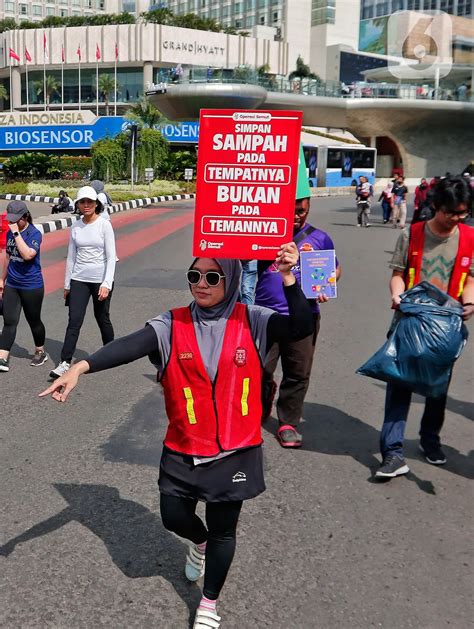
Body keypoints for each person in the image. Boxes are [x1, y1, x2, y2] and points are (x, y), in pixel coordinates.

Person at [40, 248, 313, 629]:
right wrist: (82, 367)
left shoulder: (254, 320)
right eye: (194, 275)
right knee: (173, 516)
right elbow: (130, 346)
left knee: (224, 530)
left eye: (212, 277)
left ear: (231, 280)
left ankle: (208, 603)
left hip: (236, 449)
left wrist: (288, 277)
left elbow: (301, 327)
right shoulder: (172, 324)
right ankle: (197, 542)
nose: (201, 284)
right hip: (185, 444)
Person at [375, 176, 474, 479]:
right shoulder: (412, 234)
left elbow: (470, 280)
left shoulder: (470, 237)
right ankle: (392, 453)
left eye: (462, 213)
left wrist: (469, 303)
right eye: (451, 212)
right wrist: (396, 294)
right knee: (399, 386)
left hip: (446, 330)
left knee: (437, 390)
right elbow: (398, 274)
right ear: (435, 206)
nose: (456, 219)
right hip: (408, 324)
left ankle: (430, 440)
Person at [254, 149, 342, 447]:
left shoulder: (319, 238)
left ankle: (288, 422)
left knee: (298, 372)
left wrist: (327, 284)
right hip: (265, 317)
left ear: (308, 207)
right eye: (288, 210)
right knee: (258, 369)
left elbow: (335, 271)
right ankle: (259, 407)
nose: (295, 216)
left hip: (304, 318)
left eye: (301, 211)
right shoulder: (262, 234)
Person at [50, 186, 116, 379]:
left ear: (96, 204)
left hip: (100, 280)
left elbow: (111, 257)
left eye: (90, 202)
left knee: (102, 317)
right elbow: (71, 257)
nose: (86, 205)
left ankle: (111, 353)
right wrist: (67, 284)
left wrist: (107, 284)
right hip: (79, 279)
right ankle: (64, 362)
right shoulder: (76, 226)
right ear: (78, 204)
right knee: (74, 321)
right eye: (82, 202)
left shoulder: (104, 225)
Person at [0, 201, 48, 372]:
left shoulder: (34, 233)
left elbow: (27, 255)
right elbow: (8, 257)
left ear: (25, 216)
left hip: (31, 285)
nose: (12, 223)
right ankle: (3, 357)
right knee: (9, 320)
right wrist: (2, 279)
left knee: (33, 321)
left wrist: (17, 234)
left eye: (16, 220)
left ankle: (40, 351)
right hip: (13, 283)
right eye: (10, 220)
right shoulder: (10, 232)